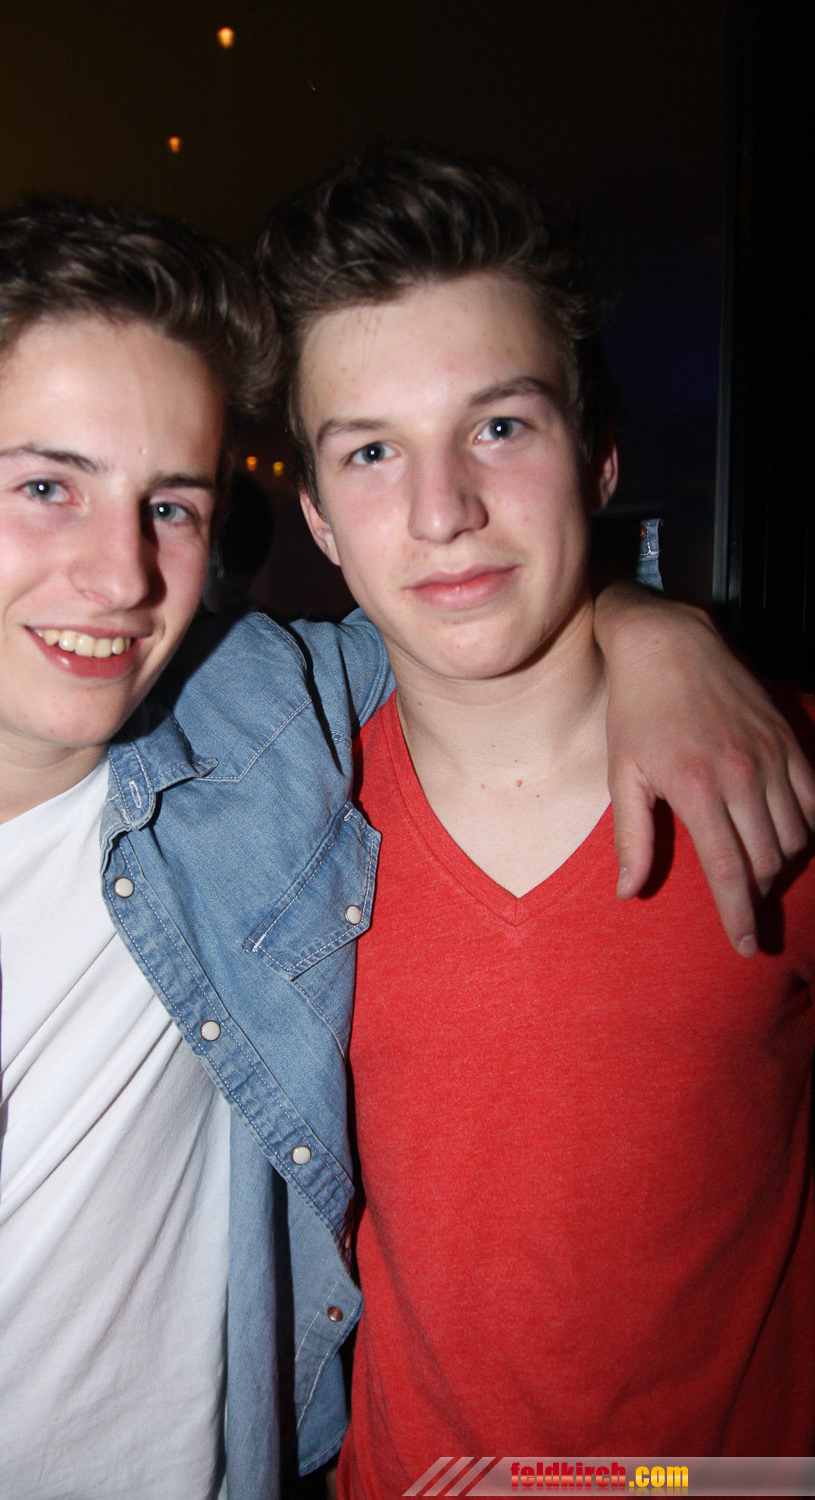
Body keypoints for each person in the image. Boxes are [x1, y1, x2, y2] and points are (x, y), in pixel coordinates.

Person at [0, 195, 809, 1500]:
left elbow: (479, 620)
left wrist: (655, 627)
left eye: (171, 506)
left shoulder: (259, 732)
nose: (119, 575)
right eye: (47, 487)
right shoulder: (286, 755)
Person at [255, 145, 815, 1491]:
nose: (443, 511)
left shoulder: (779, 770)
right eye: (372, 453)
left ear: (598, 456)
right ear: (319, 518)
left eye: (499, 428)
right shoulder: (271, 834)